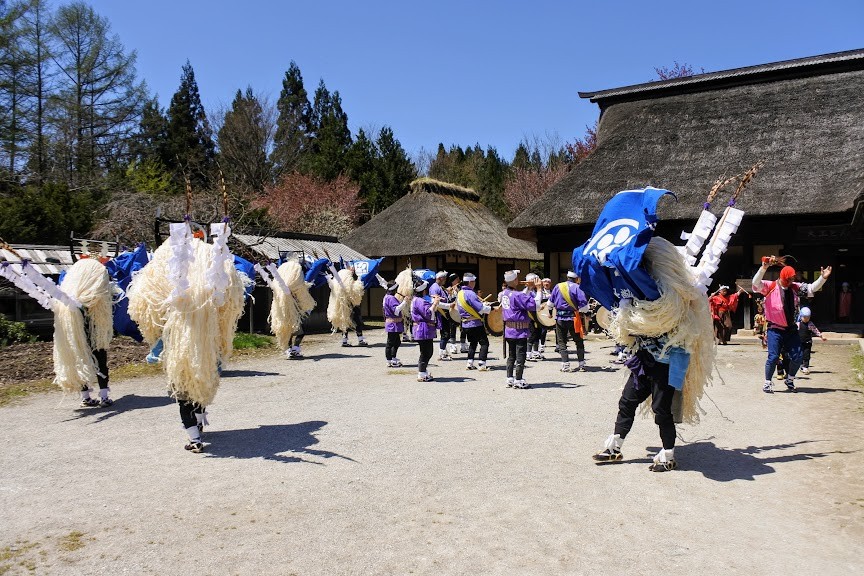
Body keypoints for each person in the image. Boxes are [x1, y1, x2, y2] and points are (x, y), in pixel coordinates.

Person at [752, 257, 831, 393]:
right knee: (774, 356)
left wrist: (823, 278)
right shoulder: (770, 286)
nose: (791, 282)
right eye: (789, 279)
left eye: (792, 279)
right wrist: (763, 268)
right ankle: (767, 382)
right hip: (774, 329)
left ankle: (790, 379)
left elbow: (812, 288)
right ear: (783, 277)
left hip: (791, 329)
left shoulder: (795, 288)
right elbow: (755, 284)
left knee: (798, 357)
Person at [500, 270, 542, 388]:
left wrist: (528, 289)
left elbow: (521, 299)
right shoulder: (518, 295)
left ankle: (509, 378)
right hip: (519, 332)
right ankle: (518, 380)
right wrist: (538, 290)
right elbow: (536, 305)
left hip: (509, 330)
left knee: (511, 355)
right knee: (520, 356)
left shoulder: (504, 293)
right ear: (514, 280)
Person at [549, 271, 589, 372]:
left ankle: (565, 365)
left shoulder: (558, 286)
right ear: (576, 279)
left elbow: (550, 303)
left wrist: (550, 312)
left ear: (567, 277)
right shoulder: (577, 288)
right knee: (579, 341)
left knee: (562, 342)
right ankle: (581, 364)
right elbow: (584, 306)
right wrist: (587, 315)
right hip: (574, 319)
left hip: (560, 318)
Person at [456, 272, 492, 371]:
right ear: (471, 282)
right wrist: (491, 308)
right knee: (484, 343)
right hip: (475, 323)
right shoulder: (471, 293)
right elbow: (480, 308)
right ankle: (482, 363)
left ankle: (469, 363)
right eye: (474, 281)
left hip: (465, 324)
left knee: (473, 343)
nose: (475, 283)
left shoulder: (460, 293)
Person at [411, 278, 439, 381]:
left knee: (427, 351)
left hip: (422, 328)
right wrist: (435, 303)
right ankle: (421, 373)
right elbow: (428, 314)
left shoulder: (416, 299)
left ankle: (423, 371)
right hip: (422, 328)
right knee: (426, 352)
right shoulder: (420, 301)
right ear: (423, 290)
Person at [429, 270, 455, 361]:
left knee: (446, 333)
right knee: (445, 333)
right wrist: (448, 305)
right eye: (444, 278)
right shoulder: (434, 288)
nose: (445, 280)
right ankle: (441, 353)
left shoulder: (440, 287)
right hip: (441, 313)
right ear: (440, 278)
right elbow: (435, 302)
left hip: (445, 312)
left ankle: (443, 350)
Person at [383, 281, 407, 367]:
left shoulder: (387, 297)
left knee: (396, 341)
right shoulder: (391, 298)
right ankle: (389, 360)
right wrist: (404, 302)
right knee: (390, 342)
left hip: (394, 324)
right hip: (393, 324)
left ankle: (393, 358)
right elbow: (396, 311)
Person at [797, 306, 826, 375]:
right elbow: (793, 331)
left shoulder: (810, 324)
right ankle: (801, 366)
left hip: (807, 342)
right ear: (801, 316)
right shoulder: (798, 324)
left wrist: (821, 336)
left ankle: (806, 366)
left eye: (808, 317)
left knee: (806, 355)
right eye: (805, 317)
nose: (806, 319)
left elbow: (815, 330)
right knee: (799, 354)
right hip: (799, 342)